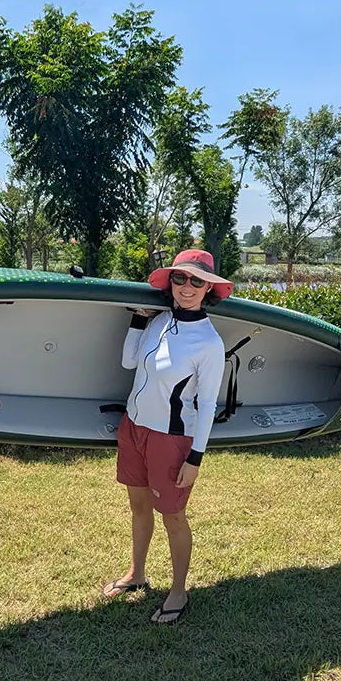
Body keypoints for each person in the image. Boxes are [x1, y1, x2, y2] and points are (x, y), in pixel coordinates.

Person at [103, 249, 233, 624]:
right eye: (180, 278)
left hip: (171, 439)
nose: (187, 287)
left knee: (173, 516)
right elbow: (130, 362)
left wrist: (195, 458)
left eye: (196, 280)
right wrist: (136, 321)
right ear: (170, 282)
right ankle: (137, 574)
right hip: (135, 427)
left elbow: (207, 405)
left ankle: (179, 591)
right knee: (139, 507)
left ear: (209, 287)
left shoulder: (209, 343)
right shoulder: (158, 321)